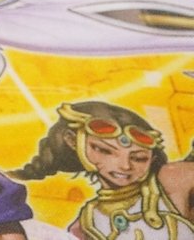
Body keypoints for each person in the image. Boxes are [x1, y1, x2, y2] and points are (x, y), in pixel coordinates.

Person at [13, 101, 194, 239]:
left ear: (152, 158)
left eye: (139, 158)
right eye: (105, 151)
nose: (125, 166)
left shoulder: (170, 180)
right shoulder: (87, 222)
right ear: (72, 141)